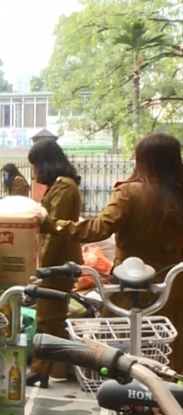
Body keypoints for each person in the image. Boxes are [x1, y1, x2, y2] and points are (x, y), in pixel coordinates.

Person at [48, 133, 183, 372]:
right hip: (175, 287)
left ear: (144, 160)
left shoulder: (130, 193)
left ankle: (126, 398)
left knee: (123, 349)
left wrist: (53, 224)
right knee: (170, 349)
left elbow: (98, 228)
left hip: (132, 285)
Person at [27, 139, 83, 388]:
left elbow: (55, 230)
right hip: (58, 262)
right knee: (47, 317)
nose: (36, 173)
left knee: (50, 319)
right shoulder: (60, 186)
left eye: (37, 165)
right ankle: (44, 368)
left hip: (60, 263)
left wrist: (41, 269)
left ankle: (46, 368)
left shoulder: (65, 188)